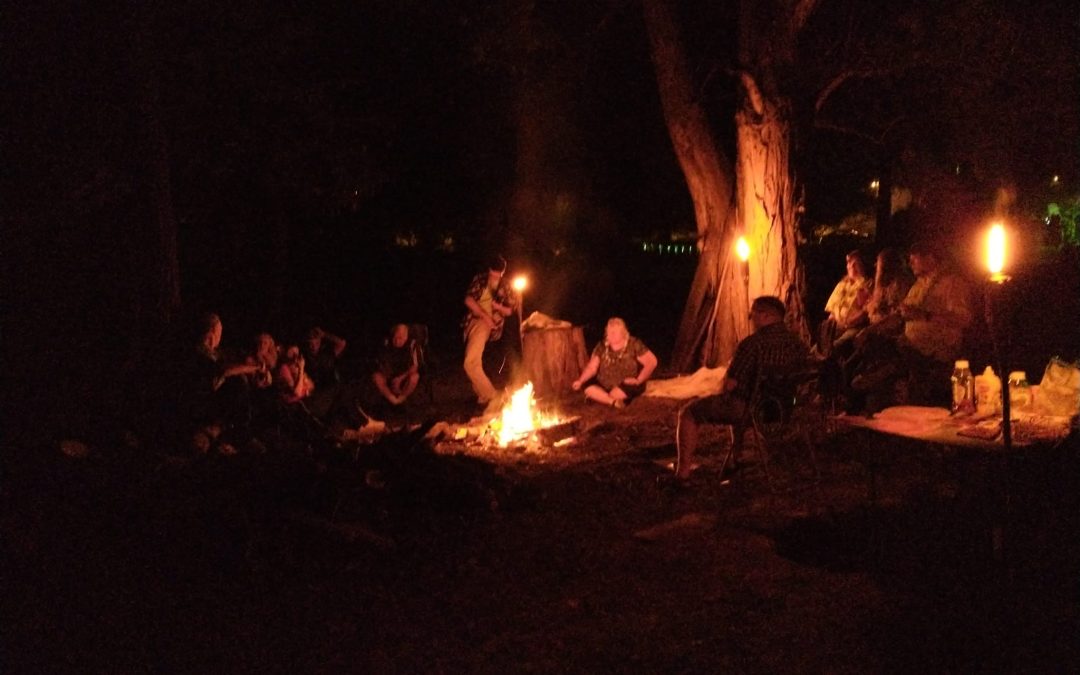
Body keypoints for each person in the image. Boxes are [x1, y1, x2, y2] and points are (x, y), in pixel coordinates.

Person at [674, 296, 809, 481]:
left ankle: (682, 474)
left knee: (688, 412)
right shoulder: (798, 344)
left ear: (766, 316)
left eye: (752, 314)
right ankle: (737, 458)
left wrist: (717, 388)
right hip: (783, 410)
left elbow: (730, 384)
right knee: (741, 398)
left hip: (751, 411)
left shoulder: (753, 344)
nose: (750, 318)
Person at [850, 241, 972, 409]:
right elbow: (900, 315)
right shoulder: (918, 285)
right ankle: (863, 383)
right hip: (909, 343)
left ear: (929, 259)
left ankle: (872, 379)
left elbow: (963, 319)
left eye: (914, 260)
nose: (910, 263)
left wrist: (924, 315)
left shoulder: (951, 283)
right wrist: (869, 330)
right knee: (868, 340)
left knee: (881, 356)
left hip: (933, 349)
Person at [462, 254, 518, 407]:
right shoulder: (480, 279)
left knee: (470, 362)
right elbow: (468, 300)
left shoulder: (506, 285)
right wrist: (483, 314)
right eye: (493, 273)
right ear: (489, 270)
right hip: (474, 321)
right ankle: (483, 397)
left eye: (498, 274)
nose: (495, 276)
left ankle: (493, 396)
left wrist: (498, 308)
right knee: (474, 361)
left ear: (503, 272)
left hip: (487, 325)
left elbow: (510, 310)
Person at [571, 317, 658, 408]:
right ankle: (612, 401)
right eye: (609, 332)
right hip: (603, 383)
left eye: (615, 332)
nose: (611, 334)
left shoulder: (634, 344)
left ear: (623, 333)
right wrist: (580, 381)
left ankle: (601, 397)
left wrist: (638, 380)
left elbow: (652, 362)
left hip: (627, 383)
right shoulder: (601, 346)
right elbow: (592, 368)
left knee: (615, 393)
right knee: (587, 386)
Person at [817, 250, 871, 358]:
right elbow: (832, 310)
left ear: (862, 265)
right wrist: (828, 328)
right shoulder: (842, 284)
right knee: (818, 349)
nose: (851, 266)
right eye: (849, 263)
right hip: (837, 326)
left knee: (835, 348)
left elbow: (866, 311)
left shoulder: (868, 285)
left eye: (855, 264)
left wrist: (850, 322)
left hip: (854, 326)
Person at [372, 323, 420, 406]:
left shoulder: (413, 345)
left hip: (404, 376)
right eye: (395, 337)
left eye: (400, 338)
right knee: (376, 377)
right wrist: (390, 377)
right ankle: (393, 400)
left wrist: (400, 379)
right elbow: (381, 363)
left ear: (406, 337)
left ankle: (401, 399)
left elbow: (414, 367)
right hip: (390, 374)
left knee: (415, 377)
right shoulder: (386, 342)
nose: (397, 341)